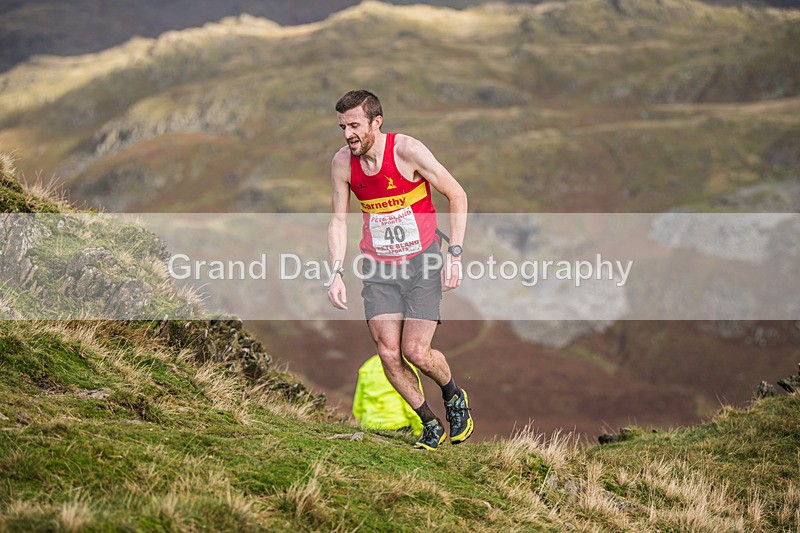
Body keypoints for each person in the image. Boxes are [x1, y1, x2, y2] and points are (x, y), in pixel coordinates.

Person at [327, 89, 473, 450]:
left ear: (377, 122)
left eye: (355, 125)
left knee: (416, 352)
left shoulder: (407, 151)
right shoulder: (343, 163)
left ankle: (454, 396)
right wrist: (335, 273)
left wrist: (454, 254)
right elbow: (337, 221)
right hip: (379, 269)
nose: (348, 134)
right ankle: (429, 422)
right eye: (343, 126)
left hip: (423, 263)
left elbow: (457, 194)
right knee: (388, 353)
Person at [352, 354, 424, 435]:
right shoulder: (404, 368)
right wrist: (418, 428)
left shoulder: (368, 366)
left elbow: (358, 403)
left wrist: (361, 420)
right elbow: (414, 401)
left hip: (370, 425)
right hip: (398, 424)